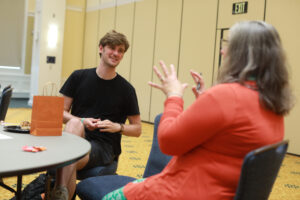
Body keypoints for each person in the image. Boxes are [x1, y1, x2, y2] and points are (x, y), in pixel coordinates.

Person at [102, 21, 293, 200]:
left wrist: (174, 96)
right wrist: (206, 102)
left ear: (241, 54)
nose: (222, 51)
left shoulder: (227, 96)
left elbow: (168, 143)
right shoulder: (273, 103)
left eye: (229, 46)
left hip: (186, 190)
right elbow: (230, 136)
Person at [51, 30, 142, 200]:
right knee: (74, 125)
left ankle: (58, 192)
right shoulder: (78, 77)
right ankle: (61, 195)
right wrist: (83, 121)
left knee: (65, 157)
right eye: (112, 48)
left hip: (104, 145)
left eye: (120, 50)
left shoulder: (126, 89)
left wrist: (118, 127)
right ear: (101, 48)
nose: (116, 53)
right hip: (77, 136)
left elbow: (137, 129)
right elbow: (58, 113)